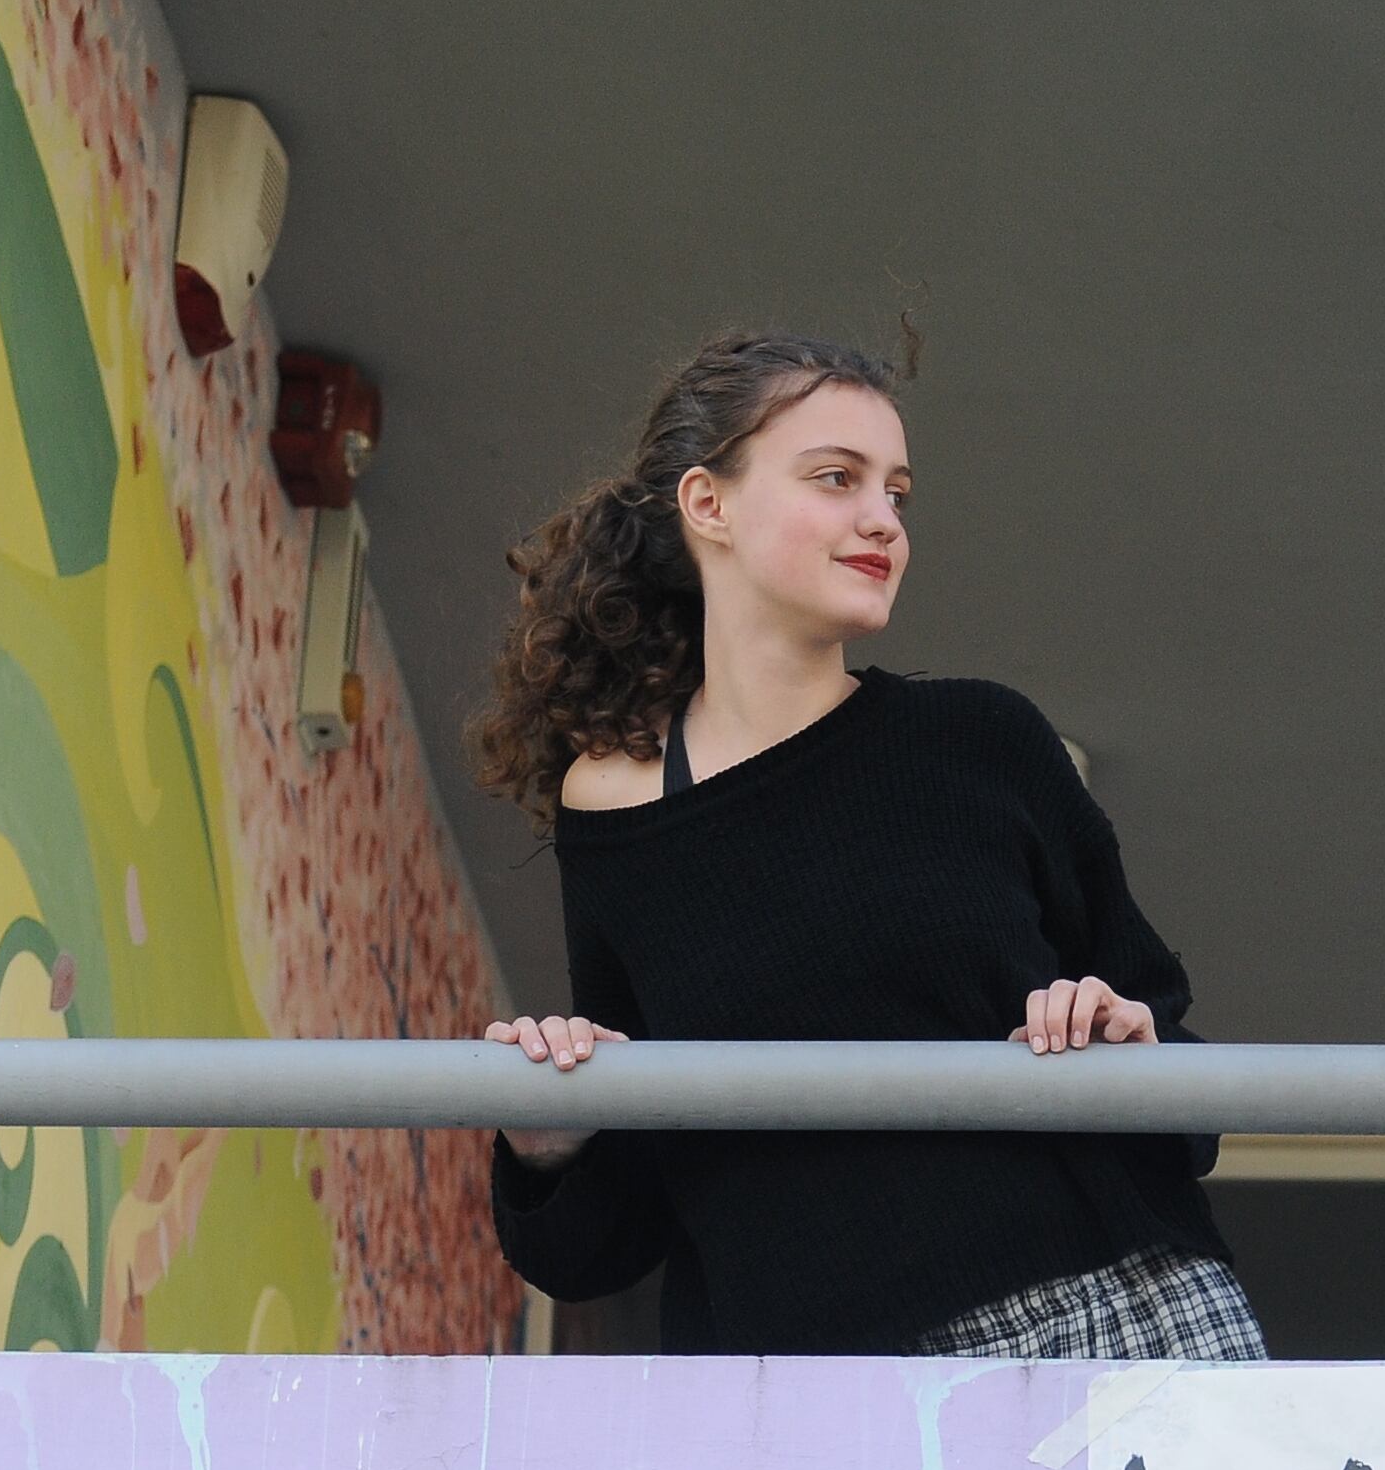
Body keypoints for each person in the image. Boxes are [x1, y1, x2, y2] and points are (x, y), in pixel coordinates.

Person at [467, 331, 1266, 1360]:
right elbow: (622, 1223)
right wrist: (550, 1144)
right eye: (836, 479)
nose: (881, 519)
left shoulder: (983, 741)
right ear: (707, 505)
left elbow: (1169, 1054)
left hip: (1112, 1315)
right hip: (816, 1391)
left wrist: (1126, 1041)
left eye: (896, 491)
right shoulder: (615, 803)